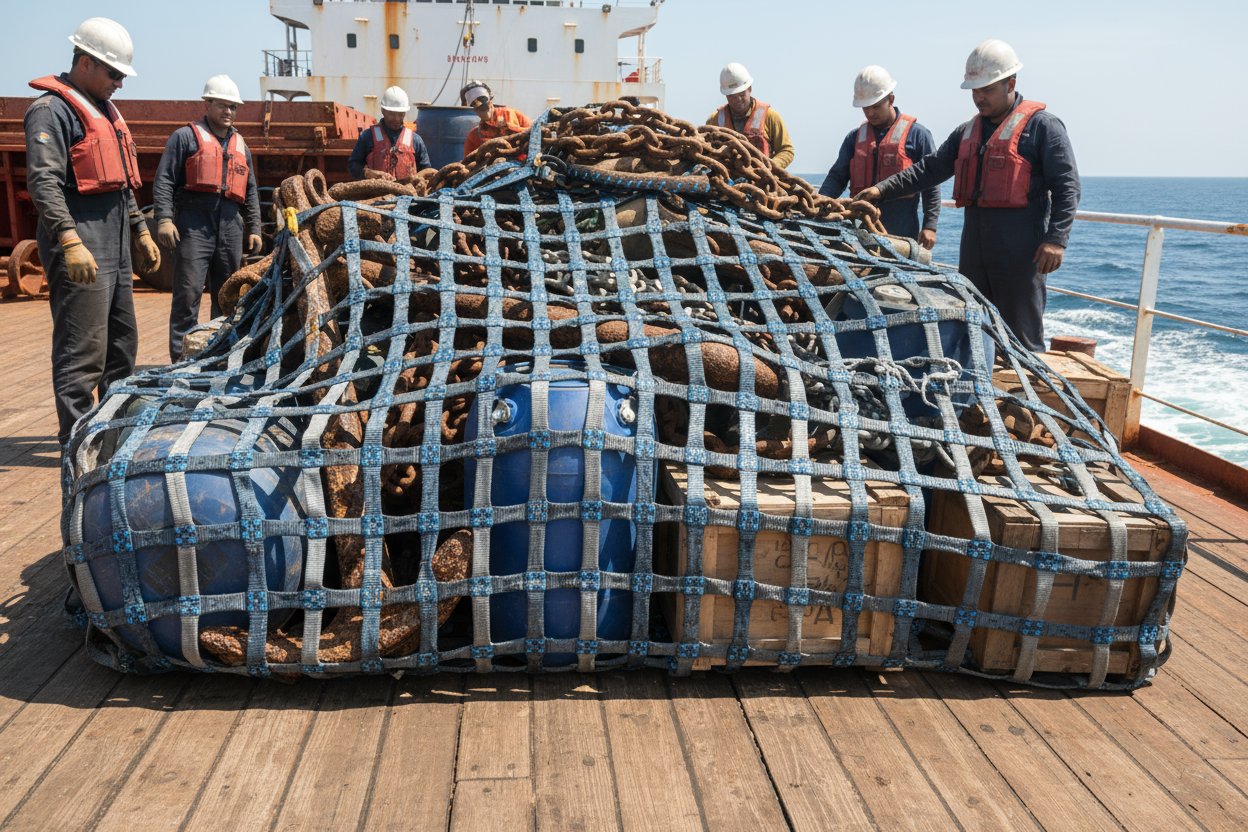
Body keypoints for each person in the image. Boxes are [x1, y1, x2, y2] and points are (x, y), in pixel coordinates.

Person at [854, 40, 1080, 352]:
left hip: (1021, 245)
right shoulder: (966, 132)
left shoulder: (1043, 127)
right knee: (974, 323)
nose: (979, 97)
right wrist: (881, 189)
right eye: (975, 90)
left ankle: (1023, 390)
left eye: (986, 89)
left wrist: (1056, 239)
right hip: (975, 243)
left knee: (1022, 332)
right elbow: (929, 170)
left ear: (1011, 83)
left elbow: (1067, 186)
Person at [24, 17, 160, 449]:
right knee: (82, 354)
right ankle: (77, 450)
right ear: (85, 62)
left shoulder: (105, 111)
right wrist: (68, 239)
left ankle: (113, 444)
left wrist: (140, 231)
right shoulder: (51, 111)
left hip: (116, 239)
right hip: (82, 238)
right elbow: (44, 183)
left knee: (121, 350)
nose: (120, 83)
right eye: (114, 73)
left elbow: (120, 181)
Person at [153, 75, 263, 361]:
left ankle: (220, 355)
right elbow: (164, 180)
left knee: (227, 295)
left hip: (230, 225)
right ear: (208, 103)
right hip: (194, 223)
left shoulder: (241, 145)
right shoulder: (185, 137)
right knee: (187, 295)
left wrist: (254, 227)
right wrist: (164, 219)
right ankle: (180, 360)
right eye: (223, 105)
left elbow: (250, 189)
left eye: (233, 107)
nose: (228, 112)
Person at [819, 66, 939, 247]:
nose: (870, 113)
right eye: (865, 108)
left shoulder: (918, 136)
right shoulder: (854, 138)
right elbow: (837, 177)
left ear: (890, 99)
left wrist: (930, 225)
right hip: (860, 231)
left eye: (876, 106)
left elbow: (931, 182)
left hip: (902, 233)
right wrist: (819, 204)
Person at [706, 63, 795, 169]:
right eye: (732, 96)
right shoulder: (715, 120)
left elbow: (786, 150)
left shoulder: (770, 116)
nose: (737, 100)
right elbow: (706, 151)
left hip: (763, 179)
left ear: (750, 89)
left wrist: (770, 167)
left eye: (741, 94)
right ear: (725, 95)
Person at [347, 85, 431, 180]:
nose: (396, 119)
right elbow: (353, 165)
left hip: (408, 193)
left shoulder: (415, 140)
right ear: (383, 111)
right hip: (376, 193)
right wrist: (367, 173)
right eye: (391, 114)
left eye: (400, 114)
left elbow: (426, 171)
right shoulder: (368, 136)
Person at [460, 81, 532, 157]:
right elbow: (468, 161)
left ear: (490, 100)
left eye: (483, 99)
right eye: (475, 103)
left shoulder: (511, 114)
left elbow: (534, 133)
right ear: (473, 109)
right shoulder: (474, 136)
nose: (482, 106)